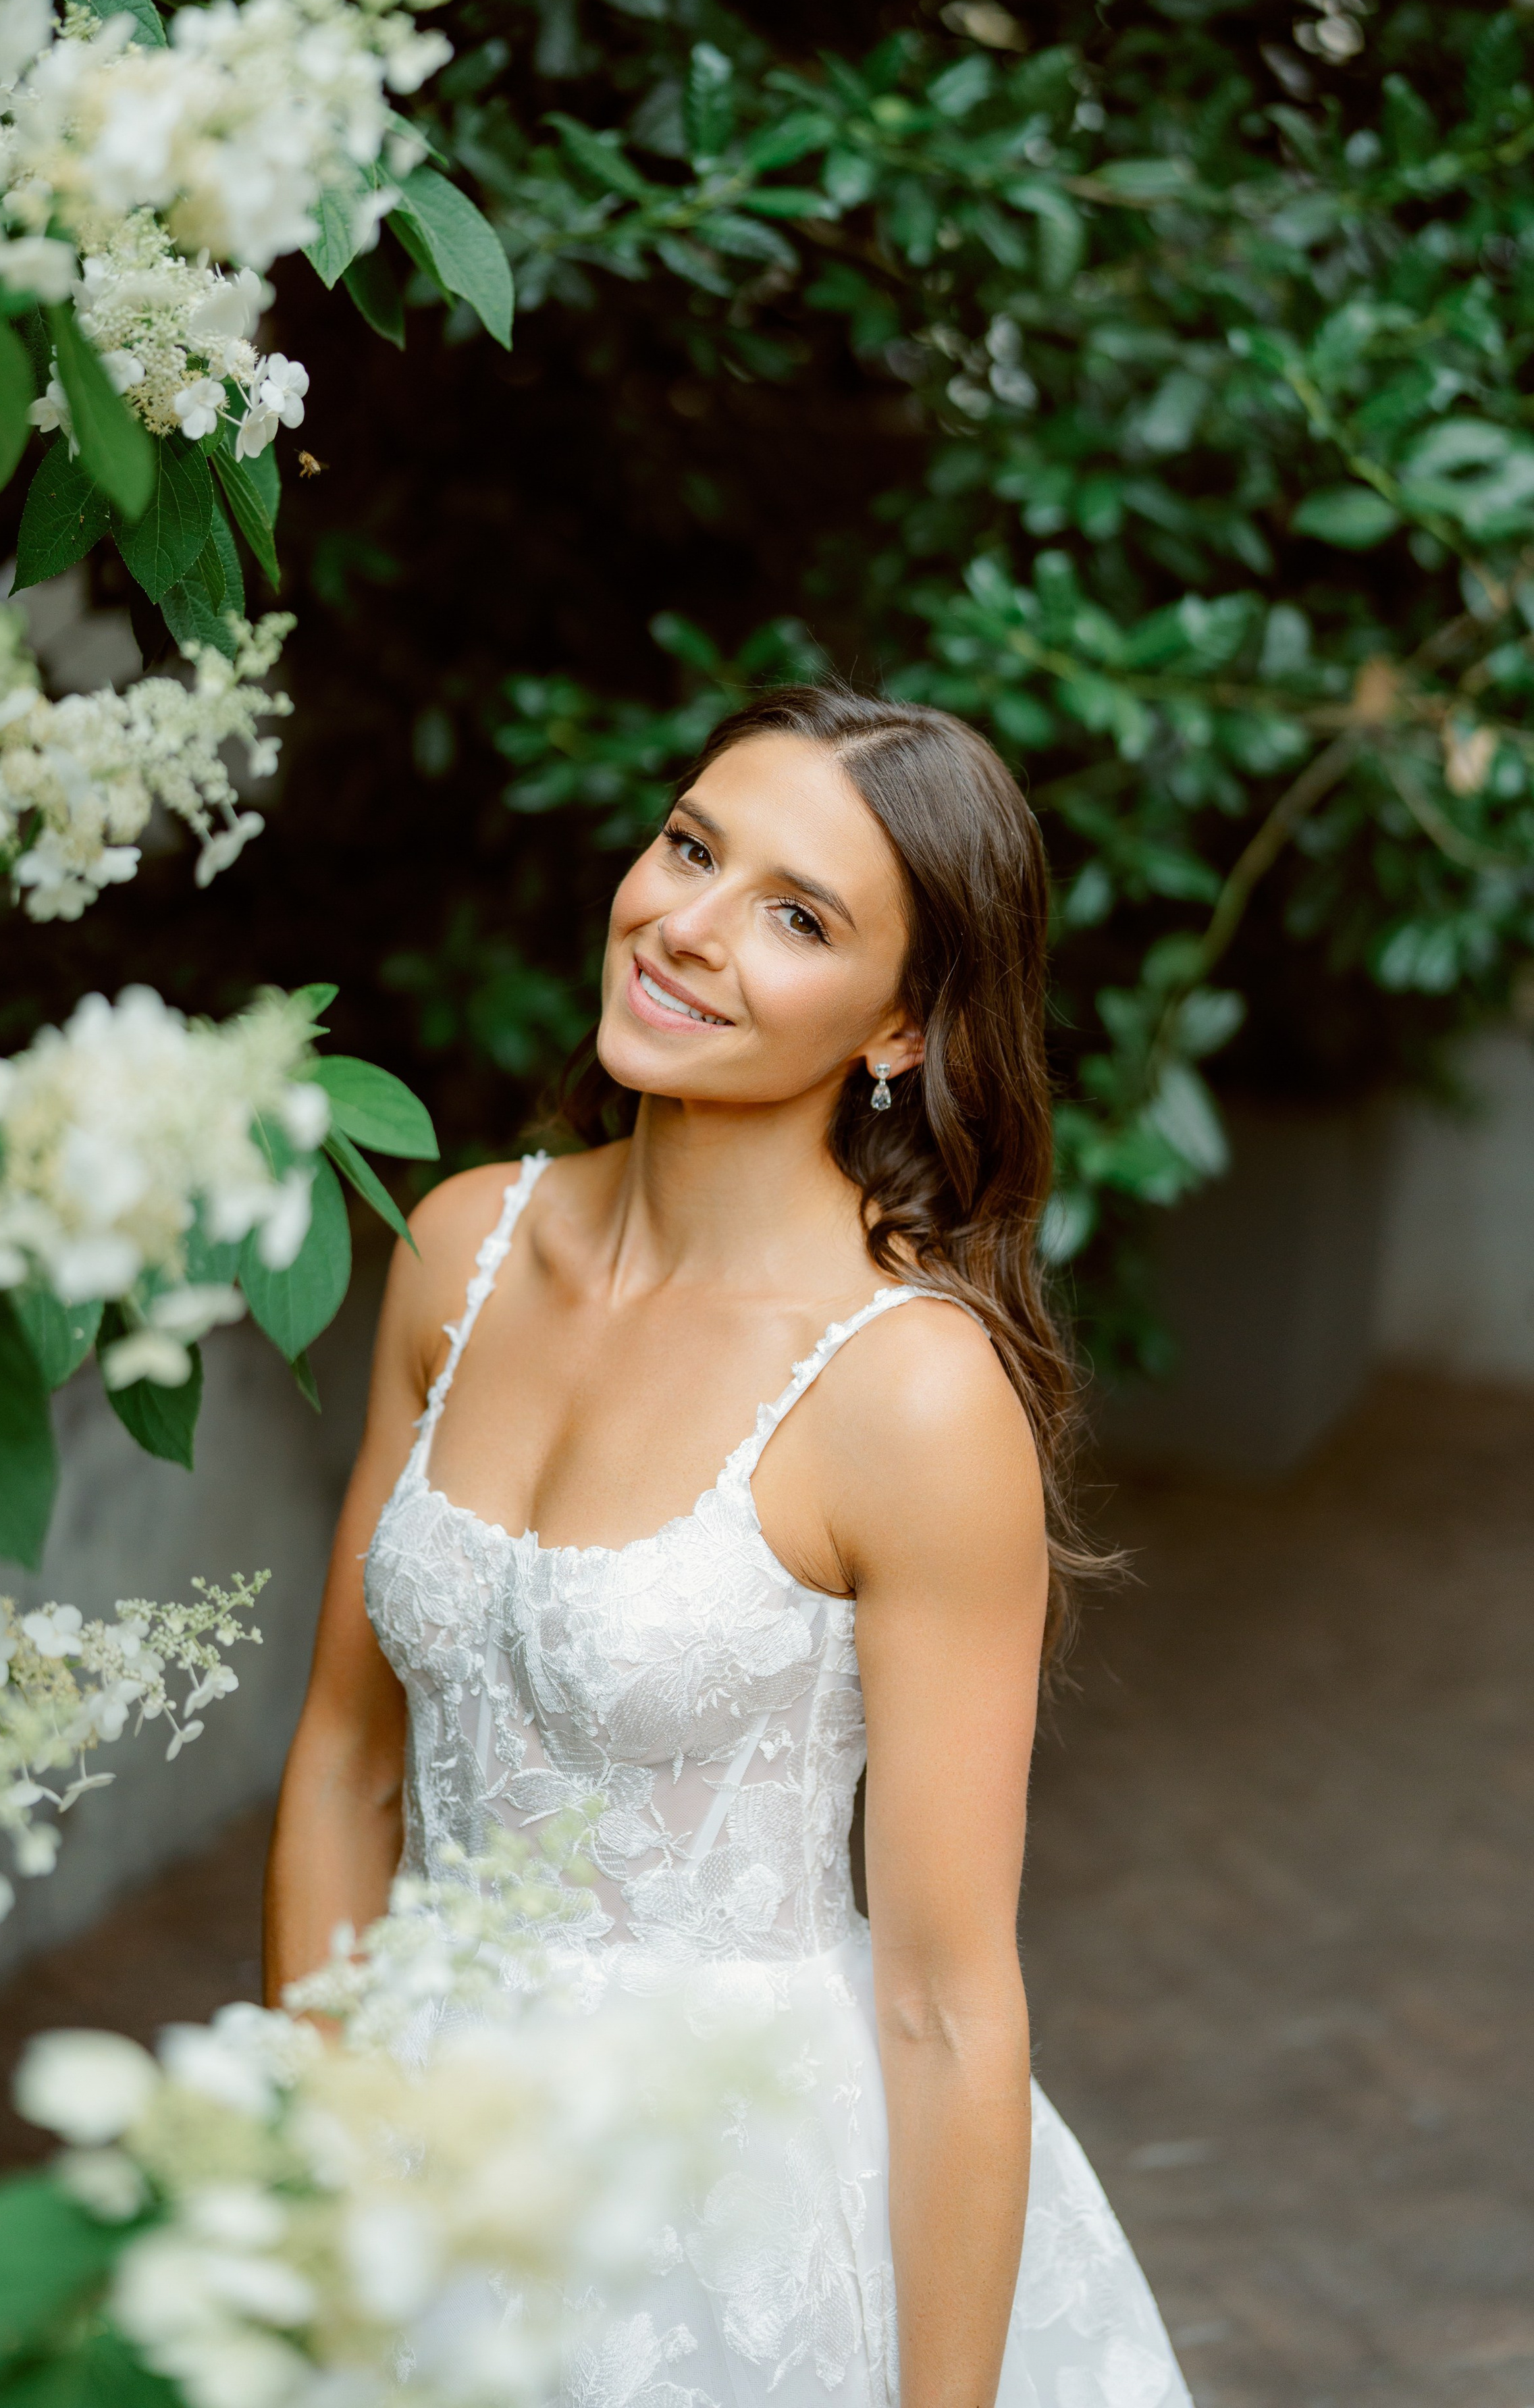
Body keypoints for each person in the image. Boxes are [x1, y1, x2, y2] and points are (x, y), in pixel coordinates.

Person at [266, 685, 1192, 2408]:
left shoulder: (910, 1398)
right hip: (410, 2152)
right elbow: (344, 1764)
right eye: (690, 848)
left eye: (796, 917)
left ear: (898, 1027)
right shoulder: (459, 1248)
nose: (685, 927)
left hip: (721, 2223)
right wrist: (304, 2198)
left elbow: (942, 2001)